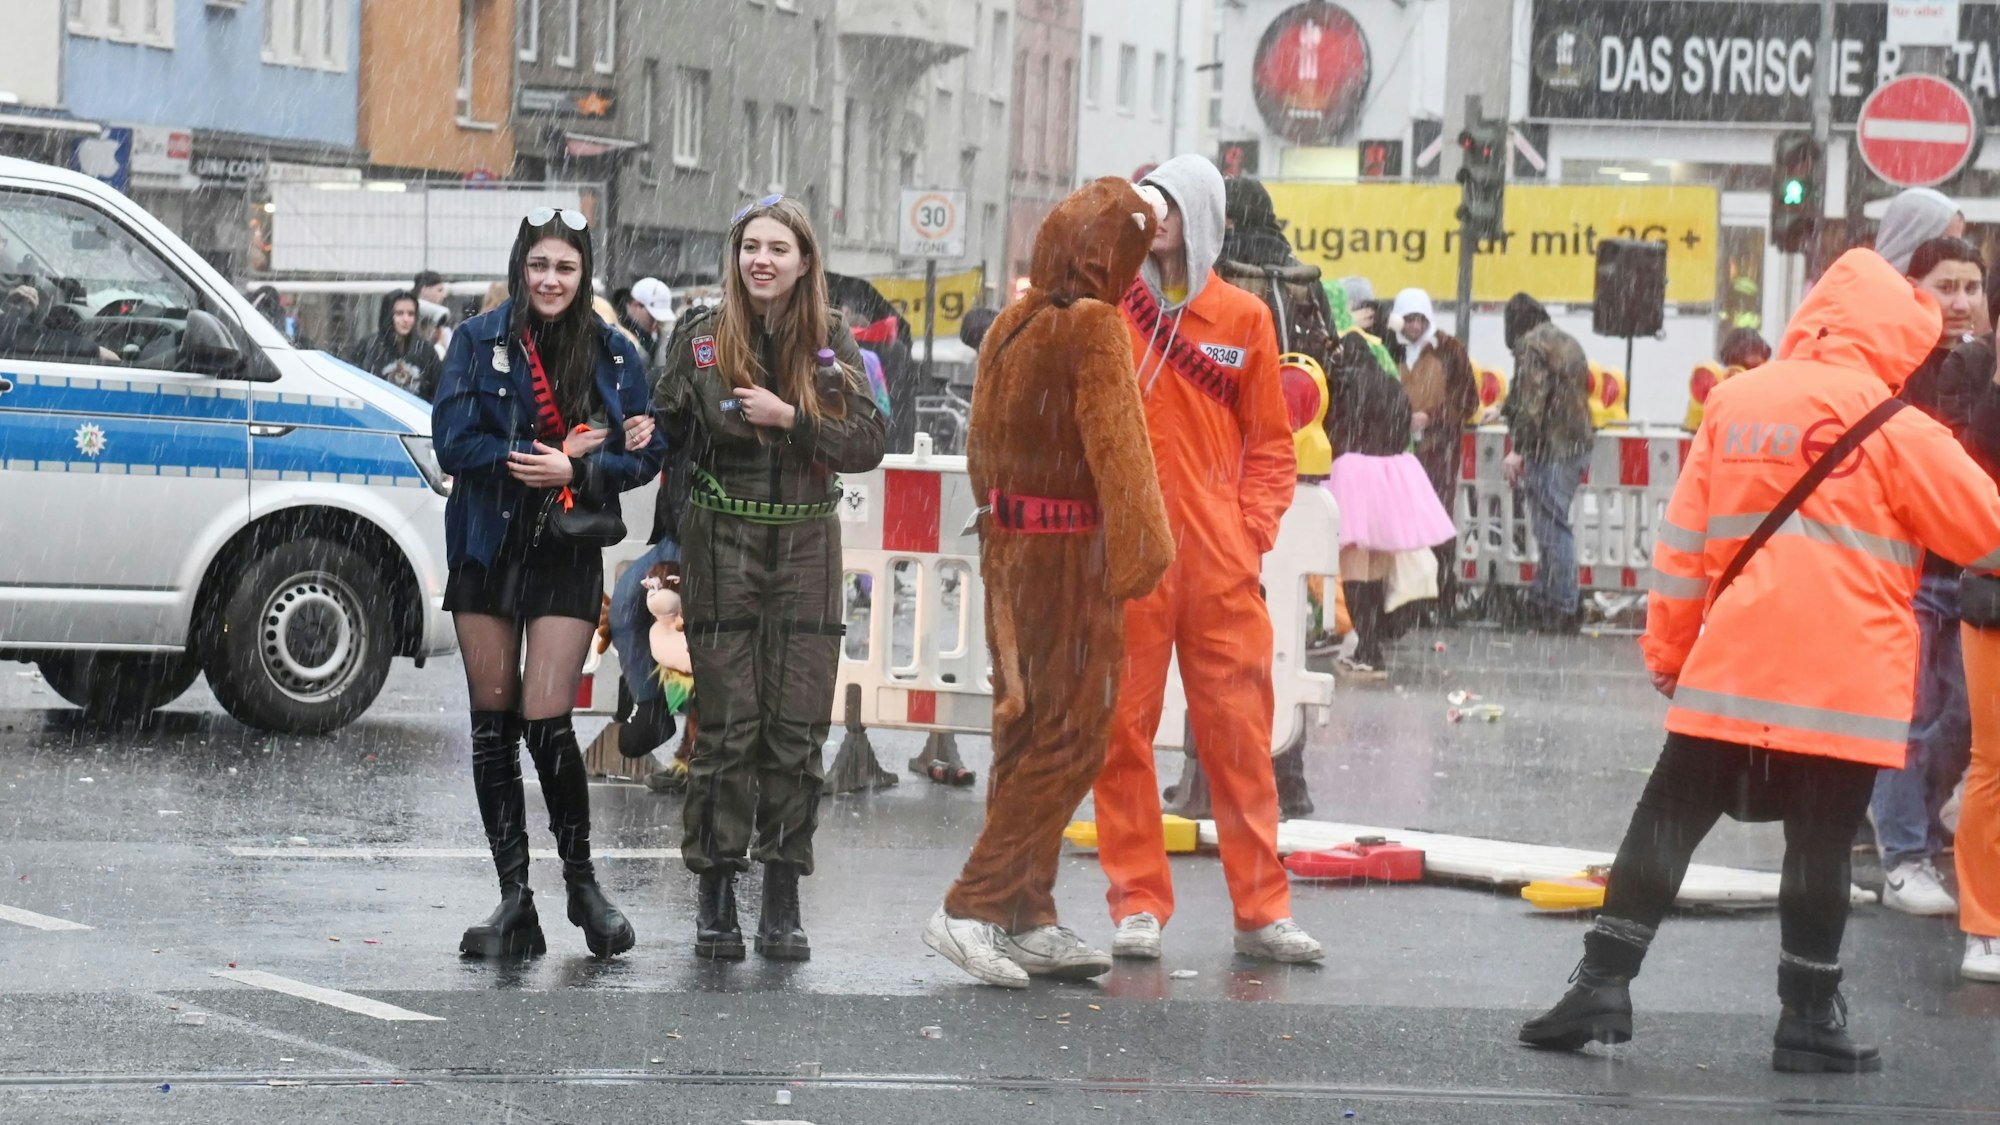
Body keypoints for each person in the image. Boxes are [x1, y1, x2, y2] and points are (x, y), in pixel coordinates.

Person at [1520, 247, 2000, 1074]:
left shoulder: (1736, 402)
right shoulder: (1898, 428)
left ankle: (1602, 981)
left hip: (1735, 666)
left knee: (1667, 817)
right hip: (1845, 681)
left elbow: (1682, 547)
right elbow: (1983, 528)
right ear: (1893, 334)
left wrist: (1671, 651)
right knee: (1817, 845)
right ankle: (1807, 1015)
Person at [923, 178, 1175, 989]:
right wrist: (1142, 553)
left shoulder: (1013, 320)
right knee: (1073, 735)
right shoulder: (1098, 327)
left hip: (1013, 549)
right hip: (1070, 558)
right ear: (1112, 258)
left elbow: (981, 446)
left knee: (1025, 731)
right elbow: (1121, 453)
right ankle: (975, 902)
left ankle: (1027, 911)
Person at [1093, 153, 1322, 965]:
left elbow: (1271, 446)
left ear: (1202, 216)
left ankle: (1261, 910)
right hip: (1132, 564)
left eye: (1170, 207)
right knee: (1123, 732)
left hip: (1221, 568)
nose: (1154, 219)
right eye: (1146, 204)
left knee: (1240, 738)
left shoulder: (1245, 320)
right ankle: (1138, 901)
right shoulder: (1106, 310)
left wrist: (1248, 530)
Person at [653, 196, 886, 962]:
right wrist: (634, 433)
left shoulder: (832, 339)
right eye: (751, 246)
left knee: (794, 729)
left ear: (804, 260)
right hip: (721, 540)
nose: (762, 260)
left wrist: (795, 419)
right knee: (725, 729)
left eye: (777, 248)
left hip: (807, 550)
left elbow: (870, 440)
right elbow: (664, 433)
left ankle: (782, 897)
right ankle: (716, 894)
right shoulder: (697, 336)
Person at [432, 207, 666, 961]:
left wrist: (582, 469)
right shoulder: (477, 341)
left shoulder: (614, 351)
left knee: (548, 719)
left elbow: (648, 447)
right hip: (487, 543)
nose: (550, 280)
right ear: (519, 268)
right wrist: (527, 455)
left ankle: (581, 883)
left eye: (565, 267)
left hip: (565, 549)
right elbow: (450, 438)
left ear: (583, 274)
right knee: (491, 723)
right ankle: (514, 897)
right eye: (539, 266)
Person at [1867, 236, 1988, 917]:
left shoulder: (1979, 368)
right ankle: (1903, 854)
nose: (1962, 301)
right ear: (1914, 287)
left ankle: (1919, 808)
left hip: (1968, 569)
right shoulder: (1897, 369)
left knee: (1966, 717)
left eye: (1972, 287)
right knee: (1908, 712)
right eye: (1948, 285)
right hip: (1909, 567)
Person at [1323, 283, 1454, 678]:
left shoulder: (1345, 382)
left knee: (1353, 567)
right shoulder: (1391, 385)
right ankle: (1372, 645)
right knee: (1377, 566)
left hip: (1351, 476)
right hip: (1388, 478)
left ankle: (1367, 648)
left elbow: (1334, 429)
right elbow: (1402, 436)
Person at [1500, 293, 1594, 633]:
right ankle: (1546, 598)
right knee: (1551, 525)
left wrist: (1519, 448)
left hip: (1550, 446)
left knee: (1552, 528)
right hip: (1575, 444)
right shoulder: (1566, 340)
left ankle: (1563, 605)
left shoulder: (1530, 345)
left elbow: (1532, 400)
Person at [1958, 260, 2000, 982]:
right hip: (1993, 590)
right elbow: (1971, 470)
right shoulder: (1972, 370)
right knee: (1993, 760)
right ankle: (1985, 922)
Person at [1388, 287, 1479, 616]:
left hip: (1439, 451)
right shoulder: (1388, 348)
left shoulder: (1450, 350)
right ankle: (1407, 602)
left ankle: (1441, 597)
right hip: (1399, 453)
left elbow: (1469, 400)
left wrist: (1433, 418)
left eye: (1419, 320)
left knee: (1436, 522)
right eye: (1408, 320)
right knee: (1401, 526)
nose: (1414, 327)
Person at [345, 289, 443, 400]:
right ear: (389, 315)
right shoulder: (369, 347)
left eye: (410, 314)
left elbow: (438, 391)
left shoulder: (426, 351)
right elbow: (352, 386)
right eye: (399, 313)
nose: (406, 319)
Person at [1874, 187, 1964, 275]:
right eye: (1947, 243)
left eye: (1958, 243)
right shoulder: (1876, 284)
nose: (1956, 253)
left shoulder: (1868, 274)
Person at [624, 277, 676, 365]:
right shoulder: (619, 334)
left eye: (661, 320)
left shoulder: (651, 335)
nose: (656, 324)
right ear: (635, 305)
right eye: (653, 317)